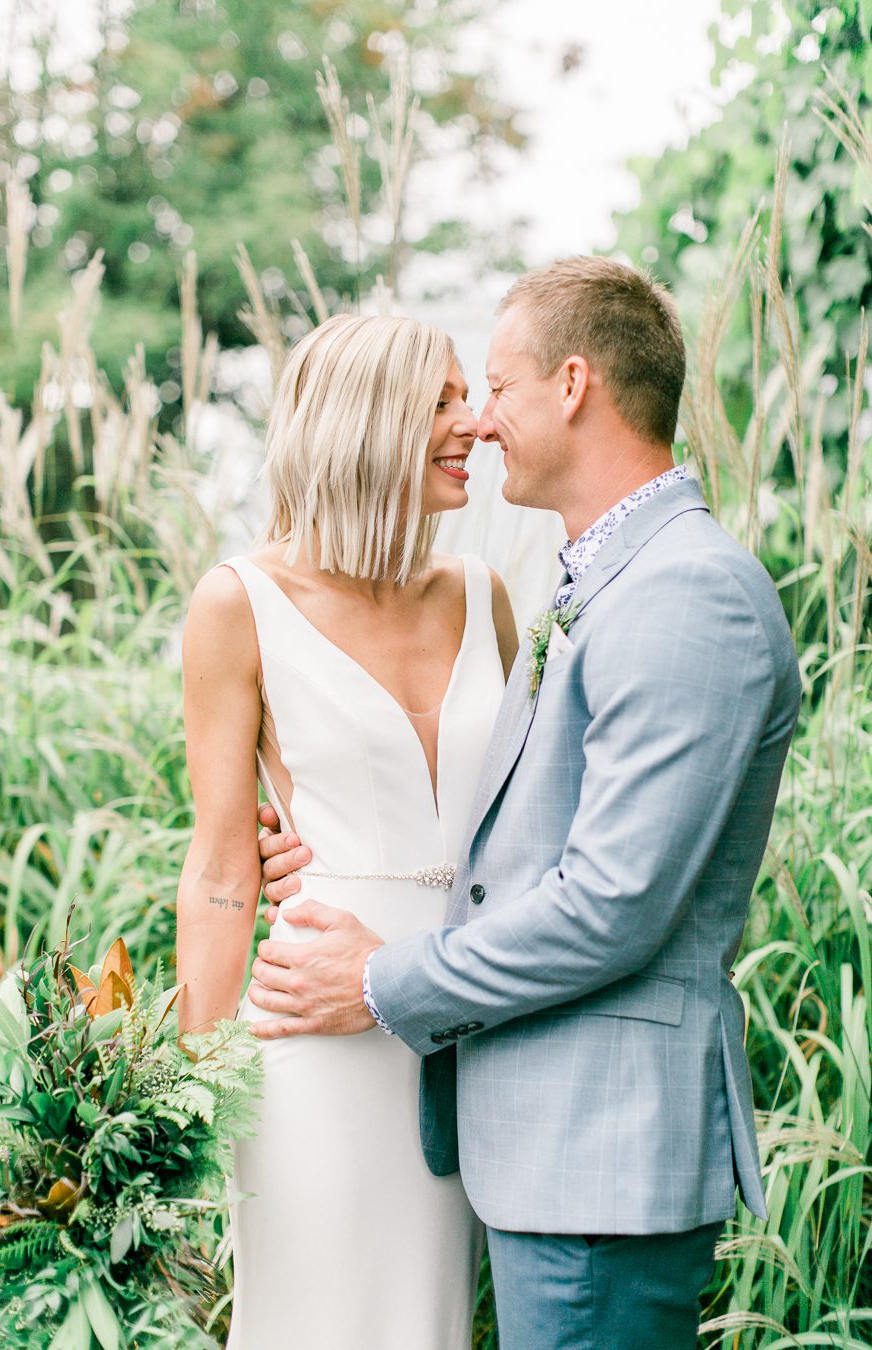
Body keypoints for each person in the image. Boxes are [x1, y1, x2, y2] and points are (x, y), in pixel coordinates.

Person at [248, 257, 802, 1350]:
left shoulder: (686, 591)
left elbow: (610, 907)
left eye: (494, 387)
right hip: (540, 1146)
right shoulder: (593, 582)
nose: (483, 422)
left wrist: (374, 978)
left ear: (574, 384)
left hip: (602, 1150)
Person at [175, 312, 518, 1350]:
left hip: (462, 1020)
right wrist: (186, 1103)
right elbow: (225, 871)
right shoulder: (239, 603)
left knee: (429, 1320)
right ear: (369, 421)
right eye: (446, 400)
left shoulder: (485, 596)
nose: (477, 424)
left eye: (472, 397)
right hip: (311, 1033)